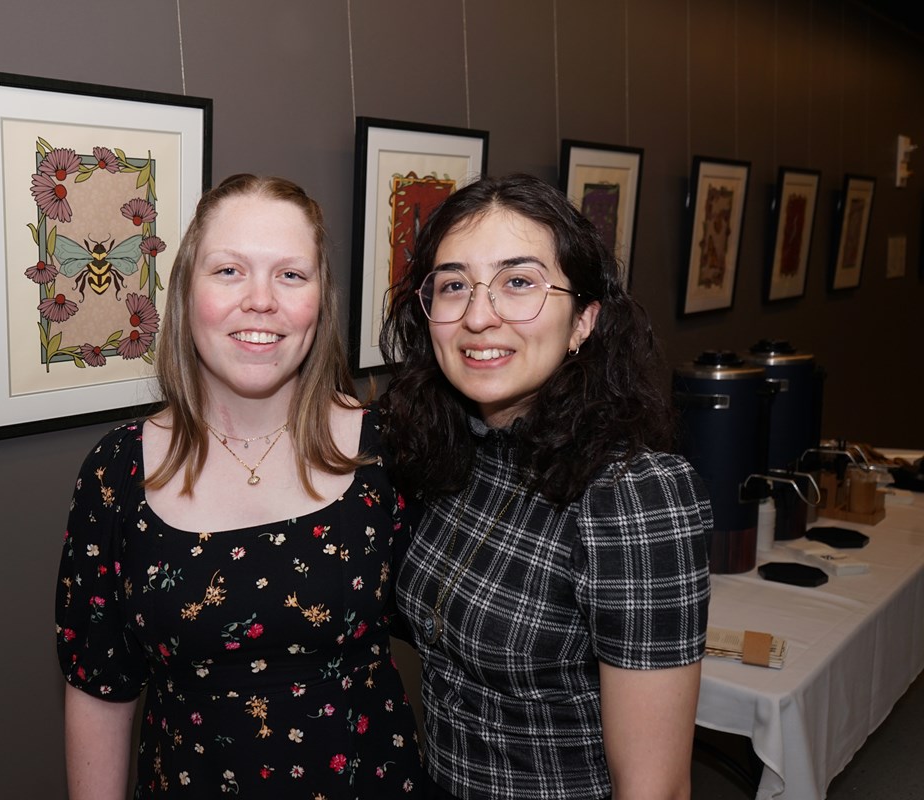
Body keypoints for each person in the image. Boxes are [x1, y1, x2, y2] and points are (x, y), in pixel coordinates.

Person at [56, 174, 424, 798]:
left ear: (320, 299)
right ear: (185, 293)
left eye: (290, 274)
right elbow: (100, 690)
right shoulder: (118, 471)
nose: (261, 300)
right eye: (229, 271)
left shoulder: (387, 452)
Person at [379, 173, 711, 800]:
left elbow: (656, 787)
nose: (479, 316)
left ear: (584, 321)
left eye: (519, 283)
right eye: (454, 286)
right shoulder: (453, 453)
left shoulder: (634, 494)